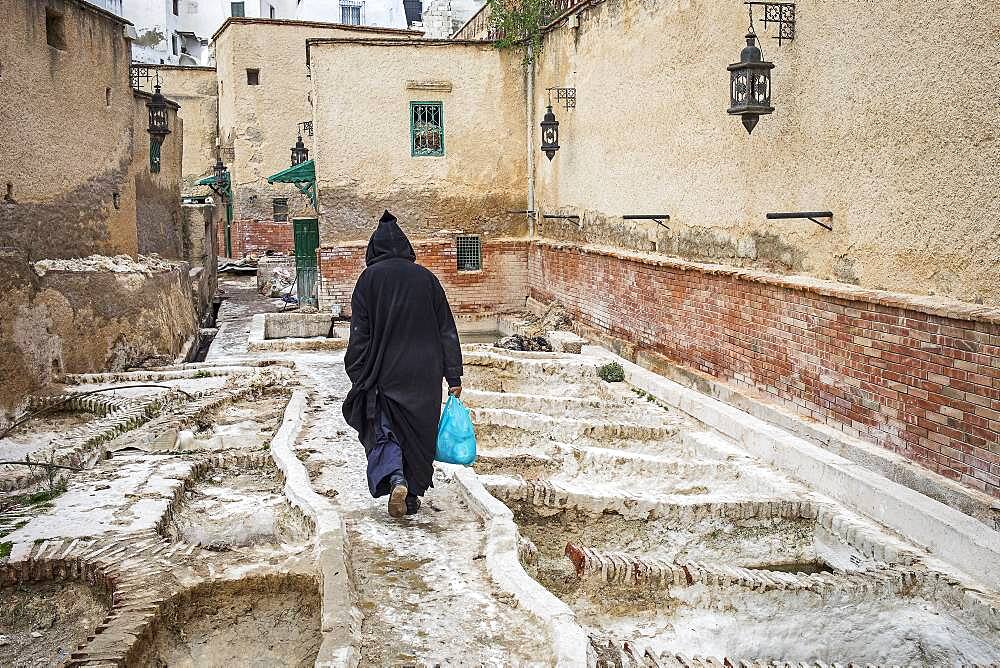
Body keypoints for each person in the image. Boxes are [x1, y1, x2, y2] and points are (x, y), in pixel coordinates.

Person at [342, 210, 464, 518]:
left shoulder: (368, 281)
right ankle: (410, 496)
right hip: (425, 374)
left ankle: (395, 477)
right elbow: (447, 330)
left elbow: (360, 334)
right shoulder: (428, 279)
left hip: (386, 372)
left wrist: (357, 371)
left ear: (373, 249)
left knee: (385, 429)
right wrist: (454, 375)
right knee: (418, 434)